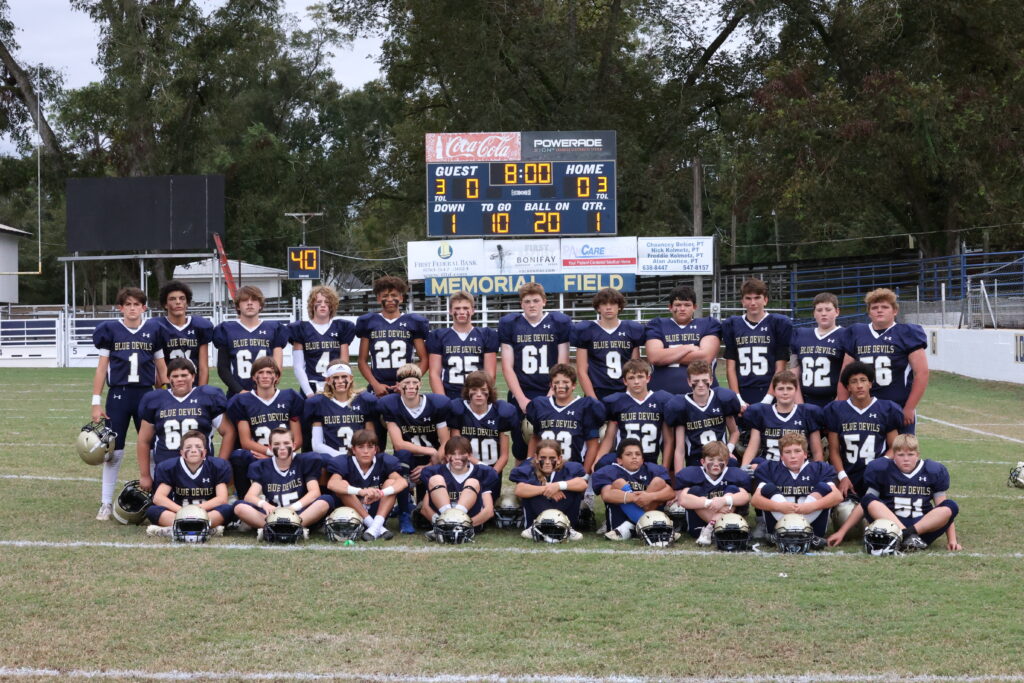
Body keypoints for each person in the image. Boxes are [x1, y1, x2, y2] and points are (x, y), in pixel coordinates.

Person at [91, 286, 166, 521]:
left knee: (153, 448)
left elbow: (161, 367)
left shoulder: (154, 330)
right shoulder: (110, 330)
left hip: (146, 394)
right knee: (114, 451)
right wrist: (96, 401)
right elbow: (102, 368)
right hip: (119, 395)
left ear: (144, 308)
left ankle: (155, 499)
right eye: (128, 305)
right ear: (120, 308)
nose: (133, 309)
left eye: (137, 304)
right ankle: (105, 503)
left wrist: (165, 394)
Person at [498, 282, 573, 462]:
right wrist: (521, 398)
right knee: (521, 443)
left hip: (550, 390)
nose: (532, 305)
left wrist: (551, 395)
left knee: (551, 441)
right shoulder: (510, 324)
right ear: (521, 304)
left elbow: (562, 363)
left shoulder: (558, 323)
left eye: (536, 300)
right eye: (527, 301)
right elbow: (507, 366)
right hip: (522, 391)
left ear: (544, 302)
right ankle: (523, 484)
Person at [136, 358, 234, 492]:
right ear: (169, 378)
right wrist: (145, 475)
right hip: (167, 469)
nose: (180, 379)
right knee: (161, 510)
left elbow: (228, 432)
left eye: (184, 375)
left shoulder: (207, 397)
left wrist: (219, 464)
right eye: (175, 376)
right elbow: (143, 440)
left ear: (193, 377)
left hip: (202, 468)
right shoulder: (156, 400)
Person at [378, 363, 451, 533]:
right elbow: (398, 443)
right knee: (401, 454)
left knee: (424, 505)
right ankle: (404, 512)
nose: (410, 387)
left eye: (414, 382)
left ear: (420, 384)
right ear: (398, 386)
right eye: (406, 383)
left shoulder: (436, 404)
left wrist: (431, 463)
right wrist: (430, 450)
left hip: (432, 461)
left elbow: (445, 441)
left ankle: (415, 507)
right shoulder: (392, 405)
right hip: (408, 458)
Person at [855, 434, 960, 551]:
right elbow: (865, 504)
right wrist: (842, 532)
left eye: (910, 454)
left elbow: (943, 509)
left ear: (917, 455)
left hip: (923, 531)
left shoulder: (932, 470)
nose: (906, 459)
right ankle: (905, 536)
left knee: (950, 506)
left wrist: (952, 540)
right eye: (901, 455)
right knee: (868, 499)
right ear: (893, 455)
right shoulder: (881, 468)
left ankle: (906, 535)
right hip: (891, 529)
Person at [845, 288, 929, 433]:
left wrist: (909, 407)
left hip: (897, 406)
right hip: (863, 406)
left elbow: (922, 373)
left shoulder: (906, 333)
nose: (879, 311)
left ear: (895, 311)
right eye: (875, 308)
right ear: (869, 312)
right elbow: (845, 373)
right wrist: (843, 405)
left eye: (885, 307)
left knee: (902, 453)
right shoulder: (857, 332)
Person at [233, 428, 334, 538]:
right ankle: (293, 528)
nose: (282, 447)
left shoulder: (305, 461)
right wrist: (264, 504)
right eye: (277, 444)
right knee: (239, 507)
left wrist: (292, 508)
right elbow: (249, 496)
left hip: (300, 512)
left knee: (325, 501)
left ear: (294, 445)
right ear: (270, 448)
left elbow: (314, 493)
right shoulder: (262, 466)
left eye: (286, 443)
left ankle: (274, 529)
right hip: (273, 514)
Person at [226, 357, 304, 498]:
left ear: (277, 376)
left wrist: (277, 454)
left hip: (286, 454)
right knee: (238, 456)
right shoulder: (242, 401)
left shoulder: (290, 397)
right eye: (260, 372)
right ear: (254, 377)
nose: (265, 376)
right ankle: (244, 500)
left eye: (269, 372)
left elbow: (297, 439)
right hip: (258, 454)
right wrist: (269, 453)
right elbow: (245, 442)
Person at [823, 361, 903, 500]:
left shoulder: (886, 409)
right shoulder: (836, 410)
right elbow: (834, 451)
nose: (859, 385)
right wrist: (842, 477)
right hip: (849, 474)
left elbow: (894, 447)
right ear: (848, 387)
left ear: (870, 383)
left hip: (878, 474)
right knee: (845, 512)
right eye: (853, 381)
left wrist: (880, 464)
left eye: (863, 380)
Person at [750, 432, 842, 546]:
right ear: (781, 456)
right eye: (787, 452)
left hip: (811, 521)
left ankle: (805, 533)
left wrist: (810, 506)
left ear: (805, 454)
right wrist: (779, 507)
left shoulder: (819, 468)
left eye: (797, 451)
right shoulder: (769, 468)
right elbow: (755, 500)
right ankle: (791, 533)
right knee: (768, 488)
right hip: (780, 521)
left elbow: (837, 496)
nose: (793, 456)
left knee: (824, 487)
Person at [145, 430, 233, 536]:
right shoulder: (170, 467)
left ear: (205, 452)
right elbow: (158, 498)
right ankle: (206, 529)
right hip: (178, 512)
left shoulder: (216, 466)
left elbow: (222, 499)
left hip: (207, 512)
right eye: (188, 447)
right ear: (181, 452)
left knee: (227, 509)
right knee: (152, 510)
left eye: (198, 447)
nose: (193, 450)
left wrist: (196, 511)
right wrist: (183, 511)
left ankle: (175, 529)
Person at [592, 358, 675, 471]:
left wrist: (664, 469)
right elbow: (609, 437)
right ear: (625, 381)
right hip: (623, 462)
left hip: (649, 462)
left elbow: (668, 440)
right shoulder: (617, 402)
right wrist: (598, 461)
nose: (636, 382)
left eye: (640, 377)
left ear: (648, 378)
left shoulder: (661, 400)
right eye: (631, 378)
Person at [326, 429, 407, 541]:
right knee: (342, 485)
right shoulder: (344, 461)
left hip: (376, 509)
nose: (366, 451)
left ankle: (375, 526)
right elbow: (332, 484)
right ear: (353, 449)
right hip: (353, 512)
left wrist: (381, 493)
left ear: (375, 449)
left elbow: (402, 482)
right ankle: (376, 527)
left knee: (391, 483)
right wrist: (360, 491)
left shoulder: (384, 460)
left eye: (370, 447)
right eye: (361, 447)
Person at [355, 276, 429, 399]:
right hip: (378, 387)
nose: (390, 299)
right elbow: (362, 361)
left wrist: (408, 382)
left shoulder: (413, 322)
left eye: (394, 295)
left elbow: (424, 359)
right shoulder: (369, 322)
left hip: (404, 388)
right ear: (379, 298)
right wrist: (375, 384)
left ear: (401, 297)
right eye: (385, 296)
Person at [722, 278, 793, 406]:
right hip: (743, 390)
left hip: (770, 389)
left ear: (765, 300)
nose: (753, 302)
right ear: (742, 301)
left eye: (757, 298)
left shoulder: (778, 323)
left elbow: (780, 367)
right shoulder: (732, 324)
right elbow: (730, 367)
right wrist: (738, 398)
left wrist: (768, 399)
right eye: (748, 298)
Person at [664, 359, 742, 472]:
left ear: (711, 380)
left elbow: (734, 432)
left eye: (704, 380)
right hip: (696, 461)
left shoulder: (722, 399)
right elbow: (680, 450)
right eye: (696, 380)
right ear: (689, 381)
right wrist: (680, 478)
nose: (700, 384)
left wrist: (728, 450)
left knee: (735, 471)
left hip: (721, 458)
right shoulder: (681, 406)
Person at [447, 370, 517, 494]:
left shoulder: (501, 413)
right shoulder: (459, 411)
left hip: (493, 470)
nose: (479, 394)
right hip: (464, 469)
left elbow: (504, 455)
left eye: (483, 389)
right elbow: (455, 448)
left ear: (490, 391)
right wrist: (480, 465)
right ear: (467, 391)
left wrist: (493, 473)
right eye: (474, 389)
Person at [592, 438, 675, 541]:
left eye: (638, 454)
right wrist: (635, 498)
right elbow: (607, 495)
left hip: (646, 511)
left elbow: (671, 493)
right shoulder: (610, 470)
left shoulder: (652, 470)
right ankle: (654, 527)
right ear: (619, 460)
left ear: (643, 459)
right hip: (620, 520)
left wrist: (649, 496)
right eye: (628, 454)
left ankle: (632, 525)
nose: (634, 457)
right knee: (619, 483)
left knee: (659, 482)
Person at [212, 285, 289, 397]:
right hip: (237, 394)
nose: (249, 303)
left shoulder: (274, 329)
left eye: (254, 299)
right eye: (244, 300)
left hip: (266, 393)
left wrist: (266, 389)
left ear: (260, 305)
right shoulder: (226, 330)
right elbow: (223, 368)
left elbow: (277, 367)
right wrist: (240, 391)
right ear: (238, 306)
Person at [643, 284, 721, 393]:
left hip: (702, 397)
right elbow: (655, 357)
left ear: (694, 307)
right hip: (661, 395)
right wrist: (687, 348)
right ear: (670, 307)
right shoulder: (657, 324)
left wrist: (666, 357)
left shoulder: (708, 324)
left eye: (687, 305)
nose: (682, 309)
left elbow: (705, 358)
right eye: (678, 305)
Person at [673, 441, 753, 545]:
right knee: (695, 491)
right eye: (711, 460)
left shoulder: (734, 474)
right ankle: (714, 527)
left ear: (727, 462)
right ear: (703, 462)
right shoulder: (692, 474)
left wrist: (724, 500)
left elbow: (745, 497)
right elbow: (683, 499)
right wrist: (712, 503)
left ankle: (711, 528)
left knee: (733, 489)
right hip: (699, 526)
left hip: (727, 524)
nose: (716, 464)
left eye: (720, 460)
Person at [525, 363, 606, 466]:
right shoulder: (540, 405)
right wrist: (530, 461)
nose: (561, 386)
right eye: (557, 382)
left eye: (565, 382)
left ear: (573, 385)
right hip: (545, 468)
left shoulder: (585, 407)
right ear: (551, 385)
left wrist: (584, 473)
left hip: (573, 469)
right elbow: (535, 437)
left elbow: (593, 444)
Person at [740, 370, 824, 467]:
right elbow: (752, 447)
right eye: (780, 389)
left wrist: (820, 472)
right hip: (768, 467)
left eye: (789, 388)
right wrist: (744, 468)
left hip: (798, 469)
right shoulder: (762, 413)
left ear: (796, 390)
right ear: (774, 391)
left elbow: (817, 451)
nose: (785, 392)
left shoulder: (808, 413)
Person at [419, 436, 499, 537]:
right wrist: (439, 524)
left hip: (470, 523)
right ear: (447, 456)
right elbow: (425, 508)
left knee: (472, 482)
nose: (457, 457)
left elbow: (488, 511)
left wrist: (466, 526)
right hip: (441, 522)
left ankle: (457, 524)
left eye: (461, 454)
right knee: (436, 479)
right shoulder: (435, 472)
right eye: (453, 454)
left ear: (470, 455)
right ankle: (447, 523)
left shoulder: (481, 473)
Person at [573, 287, 644, 400]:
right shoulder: (587, 330)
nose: (608, 307)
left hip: (624, 391)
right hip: (597, 391)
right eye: (604, 304)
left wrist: (629, 396)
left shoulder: (631, 329)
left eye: (613, 303)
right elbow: (582, 370)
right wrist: (593, 399)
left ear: (619, 306)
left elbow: (634, 367)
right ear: (598, 307)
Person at [510, 438, 588, 539]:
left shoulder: (569, 468)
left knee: (573, 489)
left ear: (559, 459)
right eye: (543, 457)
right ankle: (534, 527)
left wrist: (558, 485)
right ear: (536, 457)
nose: (547, 462)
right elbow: (519, 489)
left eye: (552, 458)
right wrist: (546, 489)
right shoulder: (528, 468)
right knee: (531, 491)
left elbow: (582, 484)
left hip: (563, 511)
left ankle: (567, 527)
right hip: (537, 515)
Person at [427, 291, 498, 399]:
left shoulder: (486, 335)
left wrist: (480, 398)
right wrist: (443, 401)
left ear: (473, 310)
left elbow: (490, 375)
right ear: (450, 311)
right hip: (449, 395)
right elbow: (434, 374)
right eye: (457, 308)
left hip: (476, 396)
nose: (461, 312)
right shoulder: (438, 336)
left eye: (465, 308)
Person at [289, 284, 356, 398]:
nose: (323, 305)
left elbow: (343, 364)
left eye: (327, 302)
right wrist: (309, 392)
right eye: (319, 302)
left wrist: (338, 388)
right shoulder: (301, 328)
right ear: (312, 305)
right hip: (311, 383)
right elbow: (298, 366)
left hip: (335, 384)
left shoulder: (342, 327)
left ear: (332, 305)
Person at [305, 361, 378, 462]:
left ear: (351, 378)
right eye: (335, 377)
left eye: (344, 376)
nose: (340, 381)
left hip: (359, 458)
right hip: (332, 459)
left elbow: (370, 438)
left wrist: (358, 456)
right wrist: (341, 457)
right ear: (328, 380)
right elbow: (317, 445)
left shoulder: (364, 401)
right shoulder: (319, 403)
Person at [789, 292, 851, 406]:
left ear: (837, 312)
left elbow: (848, 375)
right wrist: (800, 405)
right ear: (814, 313)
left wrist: (837, 404)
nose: (823, 313)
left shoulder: (846, 335)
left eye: (828, 309)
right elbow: (793, 374)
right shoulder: (801, 334)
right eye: (819, 310)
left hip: (833, 400)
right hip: (805, 400)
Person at [154, 280, 213, 386]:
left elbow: (203, 367)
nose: (178, 302)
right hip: (169, 384)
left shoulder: (200, 326)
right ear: (165, 304)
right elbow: (158, 367)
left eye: (182, 298)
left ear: (187, 303)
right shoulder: (157, 327)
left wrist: (201, 392)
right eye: (172, 299)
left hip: (193, 384)